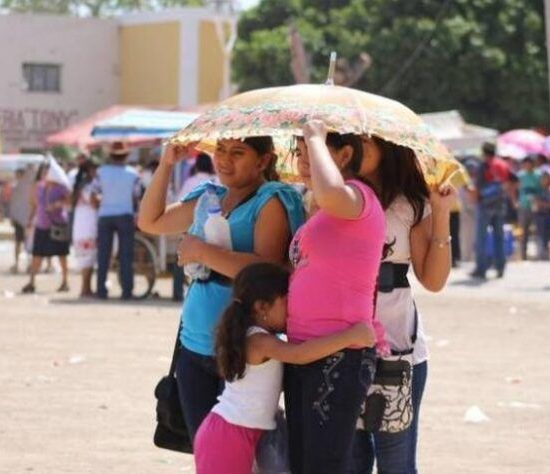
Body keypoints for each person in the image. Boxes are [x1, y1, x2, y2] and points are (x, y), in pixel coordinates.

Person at [138, 137, 305, 442]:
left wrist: (201, 252)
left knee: (241, 455)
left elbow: (264, 272)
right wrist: (165, 164)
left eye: (238, 153)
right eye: (221, 151)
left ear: (263, 160)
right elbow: (151, 221)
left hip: (244, 348)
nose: (225, 159)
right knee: (207, 452)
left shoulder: (271, 200)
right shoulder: (209, 196)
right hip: (194, 342)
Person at [194, 263, 375, 474]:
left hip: (244, 433)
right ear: (261, 307)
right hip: (229, 436)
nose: (293, 308)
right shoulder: (258, 341)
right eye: (287, 301)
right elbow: (300, 354)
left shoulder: (265, 338)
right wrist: (351, 336)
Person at [284, 121, 386, 473]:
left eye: (313, 151)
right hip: (306, 351)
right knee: (303, 462)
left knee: (323, 465)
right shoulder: (323, 211)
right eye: (300, 152)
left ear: (344, 154)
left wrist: (315, 135)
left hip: (339, 355)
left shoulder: (358, 197)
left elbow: (331, 193)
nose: (304, 159)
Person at [352, 136, 455, 474]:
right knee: (350, 462)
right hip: (340, 346)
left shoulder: (409, 205)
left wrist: (439, 213)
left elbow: (433, 280)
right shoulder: (336, 198)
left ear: (388, 146)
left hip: (400, 353)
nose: (356, 146)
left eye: (365, 141)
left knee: (396, 465)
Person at [93, 142, 140, 300]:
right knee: (126, 255)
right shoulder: (133, 174)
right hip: (125, 215)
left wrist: (100, 207)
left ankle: (101, 290)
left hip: (105, 215)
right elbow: (136, 197)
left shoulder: (101, 172)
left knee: (103, 255)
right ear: (126, 156)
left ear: (110, 155)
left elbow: (94, 194)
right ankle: (127, 291)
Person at [21, 159, 71, 294]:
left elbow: (69, 201)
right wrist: (31, 220)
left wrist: (57, 204)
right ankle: (31, 281)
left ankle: (65, 281)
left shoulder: (61, 187)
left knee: (62, 254)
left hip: (58, 223)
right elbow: (35, 205)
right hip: (42, 225)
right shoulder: (38, 187)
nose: (45, 173)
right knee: (37, 254)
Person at [471, 142, 511, 279]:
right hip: (500, 205)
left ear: (484, 152)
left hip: (485, 206)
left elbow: (477, 186)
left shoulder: (483, 166)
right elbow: (512, 181)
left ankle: (481, 269)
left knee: (481, 238)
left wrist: (475, 199)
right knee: (499, 238)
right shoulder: (503, 165)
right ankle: (500, 267)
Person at [71, 159, 99, 298]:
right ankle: (85, 288)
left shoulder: (78, 186)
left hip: (80, 224)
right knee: (89, 258)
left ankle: (86, 288)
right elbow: (94, 203)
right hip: (88, 224)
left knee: (85, 258)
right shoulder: (89, 187)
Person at [8, 166, 35, 273]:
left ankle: (29, 265)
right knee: (18, 242)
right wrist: (12, 216)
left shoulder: (29, 187)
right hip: (19, 219)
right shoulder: (16, 187)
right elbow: (12, 203)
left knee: (27, 243)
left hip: (27, 218)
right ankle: (16, 264)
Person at [516, 156, 541, 260]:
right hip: (523, 206)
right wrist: (515, 201)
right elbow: (514, 188)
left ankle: (538, 254)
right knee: (523, 231)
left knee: (537, 230)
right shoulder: (520, 175)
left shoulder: (538, 175)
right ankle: (523, 254)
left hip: (536, 205)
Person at [534, 171, 550, 261]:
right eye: (543, 178)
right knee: (540, 234)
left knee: (549, 235)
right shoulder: (538, 190)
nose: (544, 180)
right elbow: (536, 202)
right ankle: (541, 254)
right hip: (540, 215)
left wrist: (544, 204)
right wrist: (545, 204)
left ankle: (548, 253)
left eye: (546, 178)